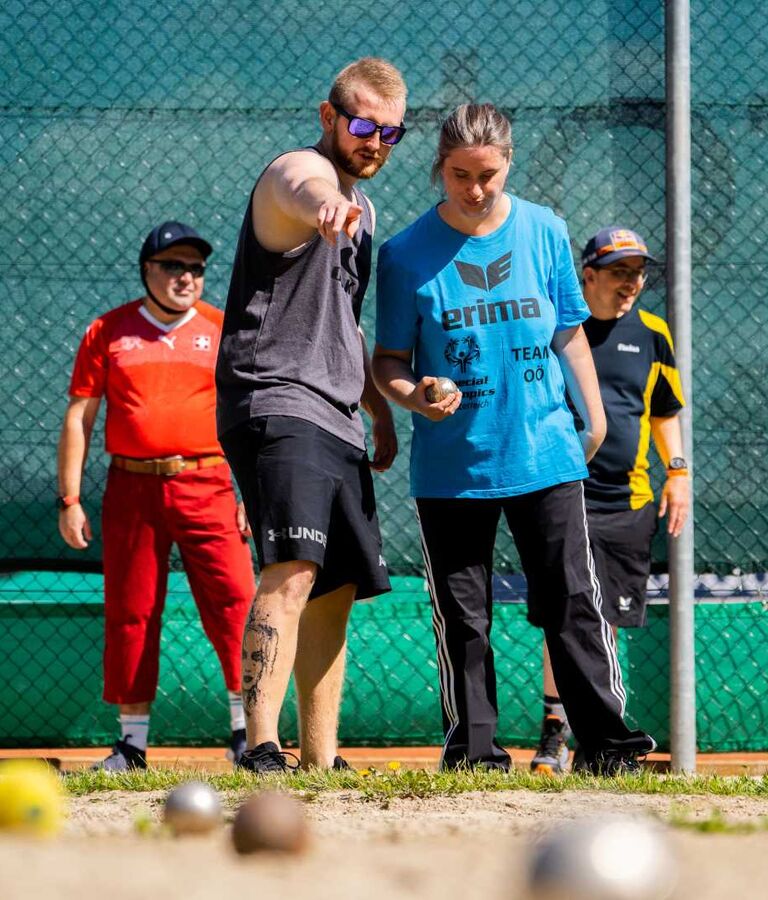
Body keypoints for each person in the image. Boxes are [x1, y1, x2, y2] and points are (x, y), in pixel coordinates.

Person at [373, 103, 656, 775]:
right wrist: (418, 394)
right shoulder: (404, 255)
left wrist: (595, 416)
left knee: (571, 603)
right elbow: (387, 361)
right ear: (439, 168)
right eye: (460, 175)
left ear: (510, 164)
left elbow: (566, 332)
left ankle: (606, 748)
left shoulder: (545, 230)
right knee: (464, 618)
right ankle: (474, 750)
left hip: (546, 452)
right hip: (453, 467)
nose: (475, 189)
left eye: (488, 175)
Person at [215, 58, 405, 772]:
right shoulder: (294, 173)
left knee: (334, 589)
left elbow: (344, 325)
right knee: (293, 570)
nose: (376, 142)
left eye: (391, 132)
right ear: (329, 118)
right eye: (362, 126)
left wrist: (378, 410)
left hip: (336, 410)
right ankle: (260, 744)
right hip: (275, 395)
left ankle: (321, 759)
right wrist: (327, 203)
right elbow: (307, 186)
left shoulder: (368, 211)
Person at [58, 221, 256, 771]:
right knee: (132, 611)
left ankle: (248, 735)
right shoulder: (109, 330)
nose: (185, 277)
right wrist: (69, 498)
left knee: (236, 604)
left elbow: (247, 414)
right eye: (173, 266)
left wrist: (251, 491)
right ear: (147, 271)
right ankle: (132, 745)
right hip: (132, 488)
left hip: (209, 483)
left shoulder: (222, 329)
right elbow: (80, 416)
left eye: (194, 267)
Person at [530, 226, 690, 774]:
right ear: (589, 276)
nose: (630, 283)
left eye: (637, 273)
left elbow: (665, 410)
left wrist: (678, 472)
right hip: (560, 492)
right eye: (619, 272)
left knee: (606, 621)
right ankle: (555, 732)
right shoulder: (556, 329)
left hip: (628, 502)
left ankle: (600, 740)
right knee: (563, 611)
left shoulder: (652, 333)